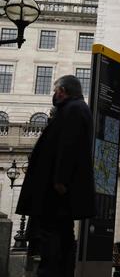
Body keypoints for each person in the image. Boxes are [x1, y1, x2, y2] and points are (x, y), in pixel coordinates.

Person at [16, 75, 96, 277]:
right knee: (62, 235)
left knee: (51, 238)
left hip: (56, 191)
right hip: (59, 189)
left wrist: (60, 179)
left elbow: (69, 145)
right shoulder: (75, 109)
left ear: (62, 91)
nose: (53, 94)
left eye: (55, 90)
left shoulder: (74, 109)